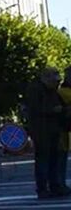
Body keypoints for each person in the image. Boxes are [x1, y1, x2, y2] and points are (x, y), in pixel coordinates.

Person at [23, 66, 67, 199]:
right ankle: (42, 188)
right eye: (55, 81)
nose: (57, 84)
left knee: (54, 159)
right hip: (41, 130)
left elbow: (60, 105)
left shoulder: (52, 91)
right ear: (46, 78)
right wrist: (54, 110)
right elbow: (35, 109)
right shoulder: (36, 90)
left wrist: (63, 110)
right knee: (43, 159)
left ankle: (55, 186)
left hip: (53, 129)